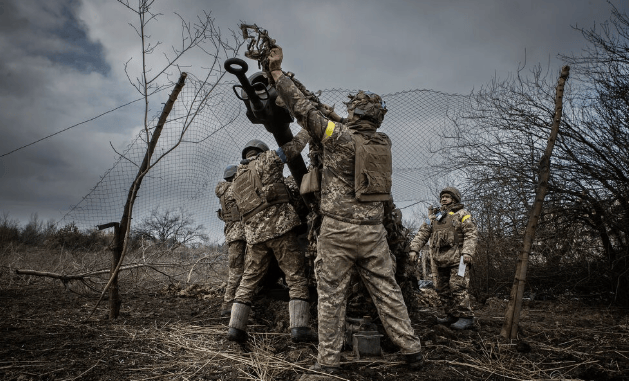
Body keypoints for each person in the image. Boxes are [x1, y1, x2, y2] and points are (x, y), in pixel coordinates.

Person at [268, 47, 423, 372]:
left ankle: (328, 363)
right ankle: (412, 351)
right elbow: (341, 125)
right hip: (373, 234)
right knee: (387, 291)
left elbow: (304, 112)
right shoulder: (383, 142)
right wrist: (334, 114)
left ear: (355, 115)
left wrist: (279, 74)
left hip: (337, 233)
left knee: (331, 296)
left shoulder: (337, 137)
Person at [227, 131, 317, 343]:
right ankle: (300, 328)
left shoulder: (237, 178)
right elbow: (293, 148)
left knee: (248, 280)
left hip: (254, 237)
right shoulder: (267, 159)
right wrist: (307, 127)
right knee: (295, 276)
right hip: (280, 229)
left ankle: (235, 328)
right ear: (261, 151)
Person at [408, 187, 479, 330]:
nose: (443, 199)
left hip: (459, 260)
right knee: (442, 289)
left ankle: (466, 317)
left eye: (447, 196)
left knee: (457, 287)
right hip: (439, 261)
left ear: (454, 199)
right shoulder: (434, 218)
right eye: (442, 197)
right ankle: (451, 315)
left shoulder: (462, 214)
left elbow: (471, 233)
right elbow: (422, 234)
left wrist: (468, 253)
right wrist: (414, 249)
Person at [216, 164, 246, 317]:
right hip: (240, 234)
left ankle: (231, 303)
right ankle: (228, 304)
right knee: (237, 271)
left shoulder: (223, 191)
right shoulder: (233, 190)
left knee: (237, 269)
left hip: (232, 235)